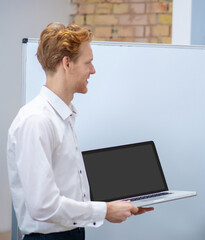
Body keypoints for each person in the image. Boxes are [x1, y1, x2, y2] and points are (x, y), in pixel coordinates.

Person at [7, 22, 153, 240]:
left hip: (72, 233)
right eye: (88, 62)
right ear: (67, 63)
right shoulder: (36, 120)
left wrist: (115, 207)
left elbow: (67, 190)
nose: (92, 70)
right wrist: (105, 210)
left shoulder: (63, 117)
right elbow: (43, 206)